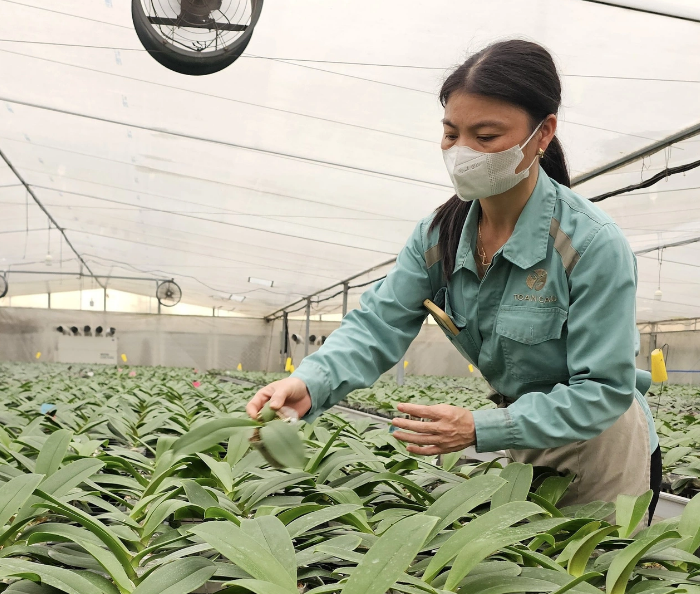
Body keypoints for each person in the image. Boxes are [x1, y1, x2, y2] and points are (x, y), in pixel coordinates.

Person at [247, 39, 659, 511]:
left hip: (603, 449)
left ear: (543, 134)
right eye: (451, 133)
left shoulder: (588, 244)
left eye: (485, 137)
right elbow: (379, 322)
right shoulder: (441, 234)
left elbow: (602, 391)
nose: (463, 152)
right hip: (522, 440)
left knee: (590, 577)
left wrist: (479, 428)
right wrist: (310, 382)